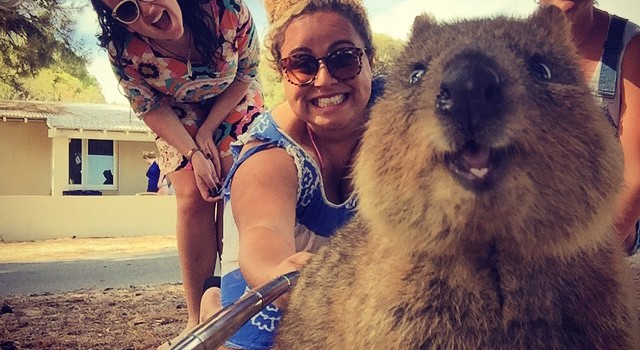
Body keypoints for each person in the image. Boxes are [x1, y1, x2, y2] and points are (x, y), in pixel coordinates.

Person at [197, 0, 383, 348]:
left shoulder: (405, 111)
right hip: (285, 284)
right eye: (302, 64)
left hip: (364, 274)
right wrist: (278, 274)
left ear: (370, 60)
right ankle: (215, 304)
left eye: (343, 58)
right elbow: (262, 233)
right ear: (283, 74)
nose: (324, 79)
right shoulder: (269, 154)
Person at [90, 0, 264, 339]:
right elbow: (148, 106)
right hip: (174, 113)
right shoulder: (124, 50)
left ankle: (236, 303)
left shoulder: (227, 9)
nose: (148, 9)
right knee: (192, 193)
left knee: (238, 182)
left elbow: (246, 73)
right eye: (128, 10)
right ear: (122, 23)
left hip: (233, 97)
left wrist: (208, 131)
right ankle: (198, 319)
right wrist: (194, 152)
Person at [538, 0, 640, 255]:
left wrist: (583, 260)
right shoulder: (512, 50)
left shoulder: (631, 47)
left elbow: (636, 173)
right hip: (538, 220)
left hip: (609, 226)